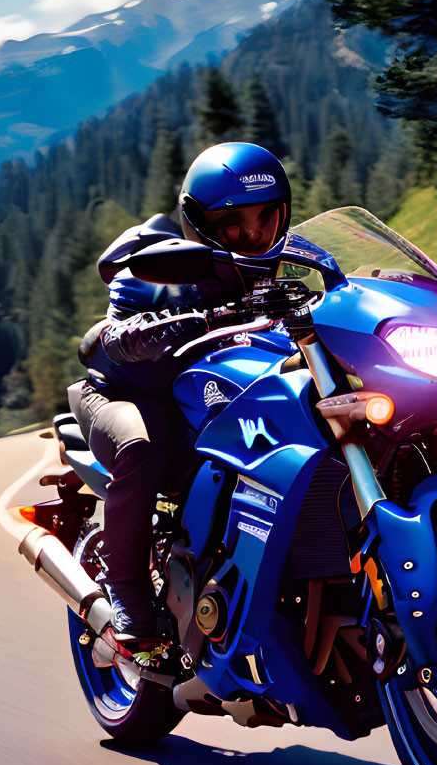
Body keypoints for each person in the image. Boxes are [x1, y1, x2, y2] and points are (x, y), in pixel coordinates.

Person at [69, 141, 293, 645]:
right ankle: (126, 593)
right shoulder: (155, 265)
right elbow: (115, 336)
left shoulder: (290, 256)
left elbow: (341, 286)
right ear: (199, 222)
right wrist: (162, 327)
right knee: (143, 448)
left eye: (267, 217)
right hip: (127, 395)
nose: (254, 234)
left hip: (208, 393)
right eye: (234, 223)